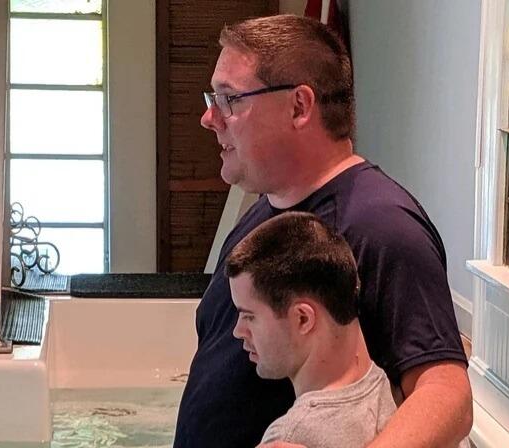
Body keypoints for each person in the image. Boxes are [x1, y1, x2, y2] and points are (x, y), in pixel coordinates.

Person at [174, 14, 472, 448]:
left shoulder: (379, 224)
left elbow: (447, 394)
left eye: (229, 99)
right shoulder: (265, 214)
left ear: (299, 106)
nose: (209, 117)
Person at [226, 211, 396, 447]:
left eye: (249, 316)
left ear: (303, 318)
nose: (238, 331)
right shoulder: (398, 398)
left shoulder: (291, 436)